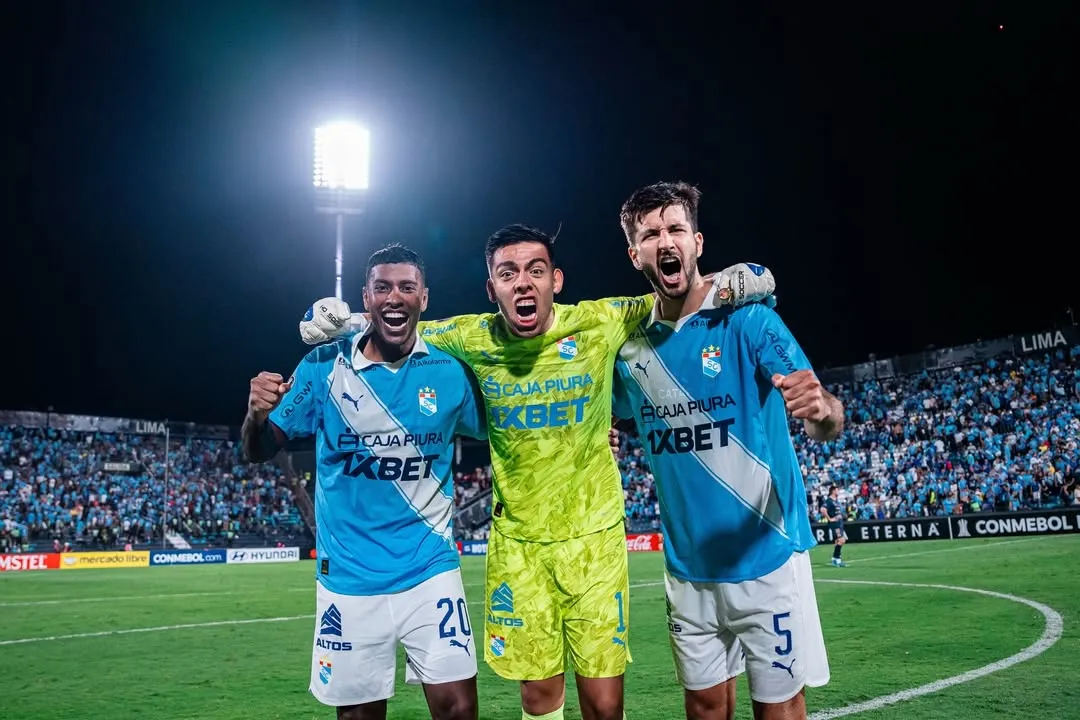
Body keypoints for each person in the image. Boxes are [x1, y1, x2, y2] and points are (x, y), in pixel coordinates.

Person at [298, 226, 777, 720]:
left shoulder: (600, 321)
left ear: (557, 280)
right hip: (520, 547)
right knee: (538, 699)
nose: (523, 283)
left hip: (594, 540)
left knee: (605, 704)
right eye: (508, 274)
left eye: (535, 271)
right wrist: (346, 321)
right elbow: (398, 324)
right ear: (492, 289)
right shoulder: (468, 335)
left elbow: (672, 298)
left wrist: (745, 279)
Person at [610, 181, 844, 720]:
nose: (664, 241)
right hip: (688, 568)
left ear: (697, 241)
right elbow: (607, 412)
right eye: (650, 234)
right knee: (705, 707)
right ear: (635, 253)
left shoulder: (749, 319)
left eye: (674, 229)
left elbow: (825, 416)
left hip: (765, 555)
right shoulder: (630, 347)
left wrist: (821, 408)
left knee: (779, 707)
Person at [241, 244, 487, 720]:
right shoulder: (322, 366)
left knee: (459, 709)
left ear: (424, 299)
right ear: (365, 298)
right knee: (358, 716)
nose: (395, 297)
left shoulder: (450, 372)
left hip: (430, 569)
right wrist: (254, 413)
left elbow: (505, 433)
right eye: (383, 287)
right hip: (350, 580)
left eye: (406, 287)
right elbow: (259, 449)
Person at [824, 485, 847, 567]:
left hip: (839, 523)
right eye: (837, 490)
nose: (838, 492)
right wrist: (830, 519)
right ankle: (836, 558)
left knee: (837, 541)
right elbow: (823, 509)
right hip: (835, 524)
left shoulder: (836, 501)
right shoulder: (829, 501)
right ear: (833, 491)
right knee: (842, 540)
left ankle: (836, 559)